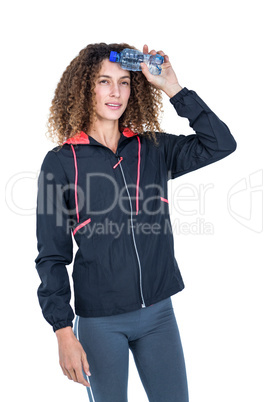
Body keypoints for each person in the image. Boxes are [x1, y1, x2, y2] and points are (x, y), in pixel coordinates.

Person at [35, 42, 237, 402]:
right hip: (100, 323)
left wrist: (173, 87)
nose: (116, 92)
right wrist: (63, 331)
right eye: (104, 81)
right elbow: (51, 255)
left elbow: (220, 143)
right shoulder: (61, 162)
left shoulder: (153, 148)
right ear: (85, 88)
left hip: (159, 315)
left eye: (125, 82)